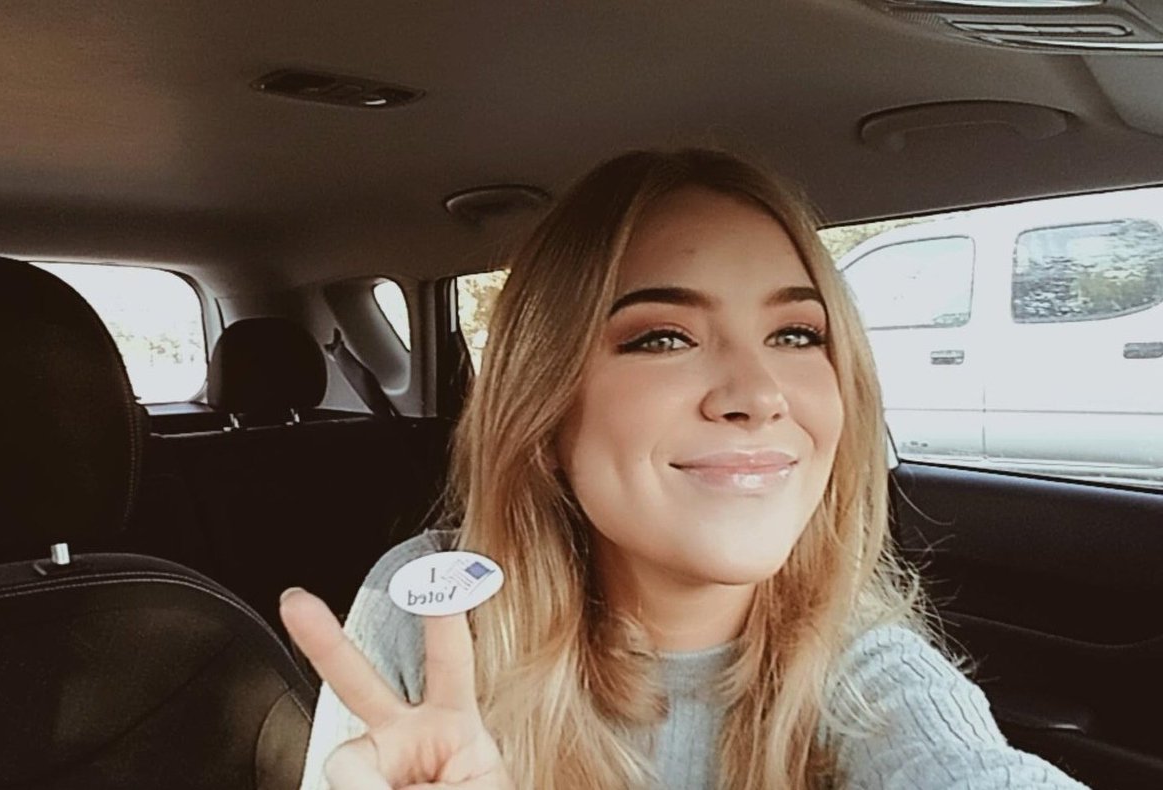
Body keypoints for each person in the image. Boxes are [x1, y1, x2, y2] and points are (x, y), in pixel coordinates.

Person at [280, 149, 1090, 789]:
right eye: (663, 338)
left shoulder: (865, 666)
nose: (759, 394)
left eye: (797, 335)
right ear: (546, 408)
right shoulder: (435, 609)